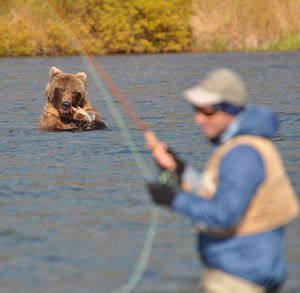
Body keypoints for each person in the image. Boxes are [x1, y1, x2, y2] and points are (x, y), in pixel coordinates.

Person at [145, 68, 299, 293]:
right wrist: (180, 169)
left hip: (240, 278)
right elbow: (218, 193)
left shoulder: (243, 153)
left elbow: (224, 215)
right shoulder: (241, 146)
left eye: (206, 111)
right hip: (245, 273)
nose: (197, 119)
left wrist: (172, 199)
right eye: (195, 110)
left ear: (230, 109)